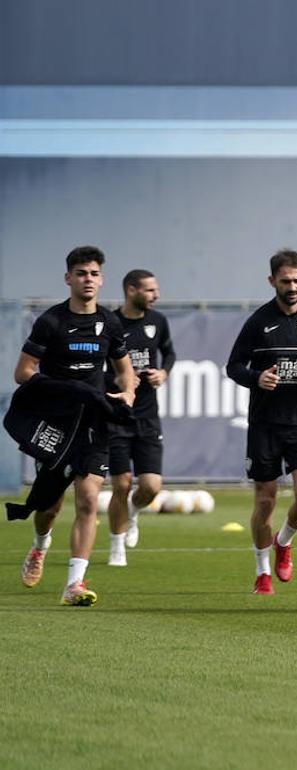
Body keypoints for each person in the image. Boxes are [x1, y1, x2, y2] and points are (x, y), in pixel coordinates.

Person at [13, 246, 136, 605]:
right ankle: (39, 546)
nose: (88, 279)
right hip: (55, 423)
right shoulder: (50, 322)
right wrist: (62, 389)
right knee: (49, 506)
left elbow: (124, 369)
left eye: (94, 273)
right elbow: (22, 373)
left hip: (95, 423)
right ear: (69, 278)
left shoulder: (110, 323)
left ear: (101, 279)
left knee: (88, 498)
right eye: (81, 273)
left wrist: (127, 392)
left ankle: (74, 585)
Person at [226, 250, 297, 595]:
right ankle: (262, 572)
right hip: (265, 425)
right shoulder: (258, 323)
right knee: (265, 501)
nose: (292, 287)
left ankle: (283, 541)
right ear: (272, 281)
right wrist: (257, 378)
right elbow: (234, 367)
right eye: (285, 281)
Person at [104, 269, 175, 567]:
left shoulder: (157, 321)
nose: (155, 295)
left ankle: (132, 514)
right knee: (121, 484)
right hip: (116, 415)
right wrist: (117, 379)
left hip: (148, 416)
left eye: (156, 290)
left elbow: (169, 354)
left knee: (151, 487)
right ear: (131, 290)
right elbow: (97, 365)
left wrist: (162, 373)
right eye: (149, 290)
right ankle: (116, 545)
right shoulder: (109, 323)